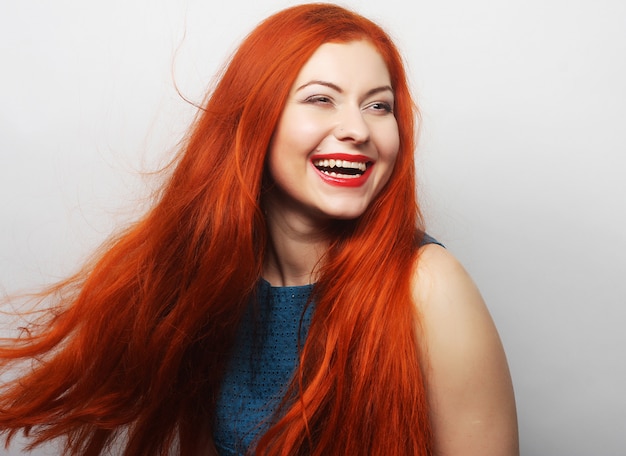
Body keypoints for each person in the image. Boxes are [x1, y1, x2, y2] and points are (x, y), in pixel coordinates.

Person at [0, 3, 518, 455]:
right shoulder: (218, 285)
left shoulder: (428, 286)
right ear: (257, 118)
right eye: (321, 98)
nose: (358, 129)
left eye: (378, 105)